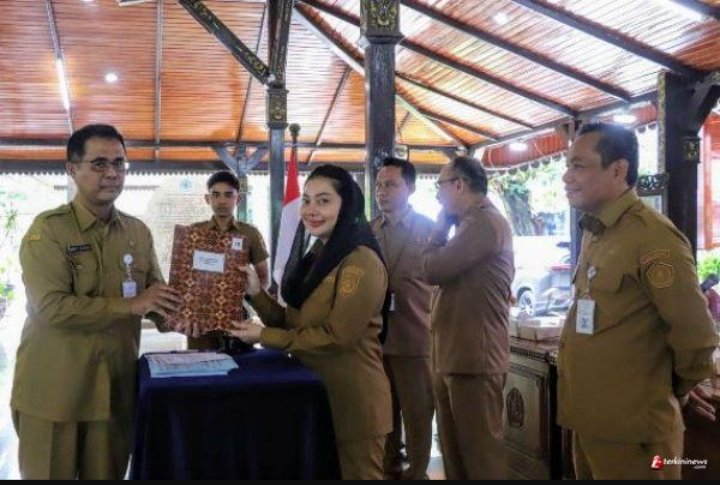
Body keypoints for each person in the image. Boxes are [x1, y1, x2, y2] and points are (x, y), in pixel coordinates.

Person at [11, 124, 182, 480]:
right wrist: (130, 306)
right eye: (99, 163)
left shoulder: (137, 232)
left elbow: (156, 298)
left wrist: (190, 314)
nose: (112, 173)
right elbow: (51, 307)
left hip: (113, 396)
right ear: (72, 169)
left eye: (119, 163)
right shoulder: (48, 231)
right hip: (56, 393)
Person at [559, 122, 719, 480]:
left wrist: (670, 391)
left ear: (618, 170)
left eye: (578, 165)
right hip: (590, 421)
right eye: (568, 165)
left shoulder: (653, 237)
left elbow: (696, 336)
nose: (567, 176)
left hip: (635, 431)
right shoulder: (596, 231)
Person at [230, 165, 392, 480]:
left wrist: (264, 336)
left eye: (323, 201)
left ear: (347, 207)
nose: (310, 210)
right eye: (306, 200)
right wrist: (256, 293)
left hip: (353, 405)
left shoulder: (360, 260)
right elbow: (294, 323)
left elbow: (337, 336)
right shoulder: (319, 254)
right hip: (315, 395)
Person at [423, 156, 514, 480]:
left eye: (440, 186)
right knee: (456, 457)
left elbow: (432, 269)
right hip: (455, 355)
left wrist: (438, 228)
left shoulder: (484, 223)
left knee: (480, 459)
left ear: (459, 185)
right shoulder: (468, 224)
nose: (438, 195)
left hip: (475, 359)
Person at [370, 158, 435, 480]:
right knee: (384, 416)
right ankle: (389, 470)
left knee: (418, 415)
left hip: (416, 338)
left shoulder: (431, 230)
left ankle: (418, 473)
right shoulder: (368, 231)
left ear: (410, 188)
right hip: (375, 340)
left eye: (391, 184)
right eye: (379, 185)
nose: (382, 191)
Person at [186, 170, 270, 350]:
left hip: (237, 319)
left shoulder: (250, 233)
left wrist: (245, 301)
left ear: (238, 199)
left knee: (240, 365)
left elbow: (264, 278)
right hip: (200, 321)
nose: (222, 201)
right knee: (201, 363)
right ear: (207, 199)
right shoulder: (195, 232)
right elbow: (185, 274)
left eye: (228, 195)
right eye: (216, 195)